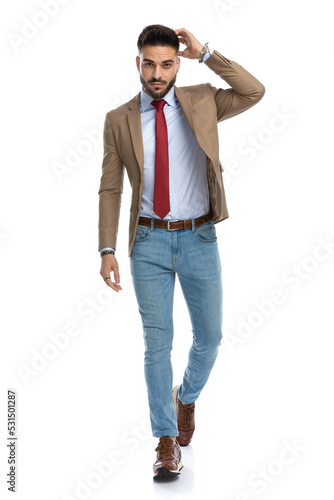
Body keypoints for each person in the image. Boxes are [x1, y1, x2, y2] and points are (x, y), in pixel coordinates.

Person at [98, 24, 265, 479]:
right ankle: (166, 439)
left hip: (199, 238)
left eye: (167, 63)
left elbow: (254, 91)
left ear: (177, 62)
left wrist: (206, 52)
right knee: (158, 343)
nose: (157, 73)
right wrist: (107, 247)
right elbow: (110, 187)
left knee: (209, 339)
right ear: (137, 63)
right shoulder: (119, 119)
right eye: (149, 63)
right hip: (147, 241)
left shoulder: (203, 100)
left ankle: (185, 397)